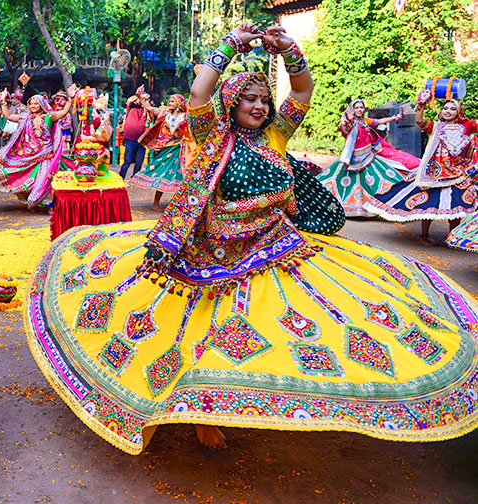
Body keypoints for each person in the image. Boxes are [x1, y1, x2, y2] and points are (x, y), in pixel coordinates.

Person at [24, 23, 478, 454]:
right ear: (233, 105)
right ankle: (199, 409)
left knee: (287, 319)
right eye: (250, 100)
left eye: (264, 100)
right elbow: (200, 92)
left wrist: (290, 51)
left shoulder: (276, 136)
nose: (260, 107)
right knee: (206, 327)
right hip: (213, 254)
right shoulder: (209, 134)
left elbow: (303, 91)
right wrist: (228, 47)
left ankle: (273, 397)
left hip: (275, 244)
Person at [365, 91, 478, 245]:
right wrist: (422, 104)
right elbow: (419, 120)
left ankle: (452, 237)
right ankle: (424, 235)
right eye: (445, 108)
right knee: (429, 203)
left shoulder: (467, 126)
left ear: (459, 112)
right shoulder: (436, 126)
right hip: (434, 174)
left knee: (456, 205)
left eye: (452, 109)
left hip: (457, 173)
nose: (448, 111)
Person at [318, 98, 420, 217]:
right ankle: (337, 206)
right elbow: (345, 128)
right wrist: (348, 119)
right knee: (340, 184)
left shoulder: (364, 121)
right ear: (352, 110)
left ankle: (376, 206)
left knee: (373, 182)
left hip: (367, 157)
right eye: (357, 108)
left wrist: (394, 117)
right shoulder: (350, 123)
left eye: (361, 108)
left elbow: (379, 121)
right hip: (352, 160)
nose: (360, 110)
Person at [0, 92, 73, 208]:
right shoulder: (25, 117)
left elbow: (63, 112)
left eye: (36, 104)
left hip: (46, 155)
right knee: (28, 177)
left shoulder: (49, 116)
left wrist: (71, 98)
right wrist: (3, 101)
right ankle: (38, 200)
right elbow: (9, 116)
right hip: (29, 155)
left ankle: (45, 202)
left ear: (42, 105)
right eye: (31, 104)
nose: (33, 106)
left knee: (46, 177)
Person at [128, 93, 196, 210]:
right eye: (169, 101)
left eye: (172, 101)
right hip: (166, 149)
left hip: (180, 150)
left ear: (179, 104)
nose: (170, 103)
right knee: (162, 173)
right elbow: (149, 108)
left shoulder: (186, 117)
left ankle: (182, 204)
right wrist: (140, 97)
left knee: (181, 177)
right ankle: (156, 203)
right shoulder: (164, 113)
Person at [118, 87, 156, 180]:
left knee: (139, 161)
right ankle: (121, 177)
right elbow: (129, 100)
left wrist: (147, 107)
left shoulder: (145, 108)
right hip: (130, 139)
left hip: (141, 140)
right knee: (128, 160)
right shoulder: (131, 105)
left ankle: (134, 179)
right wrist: (140, 96)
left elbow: (150, 119)